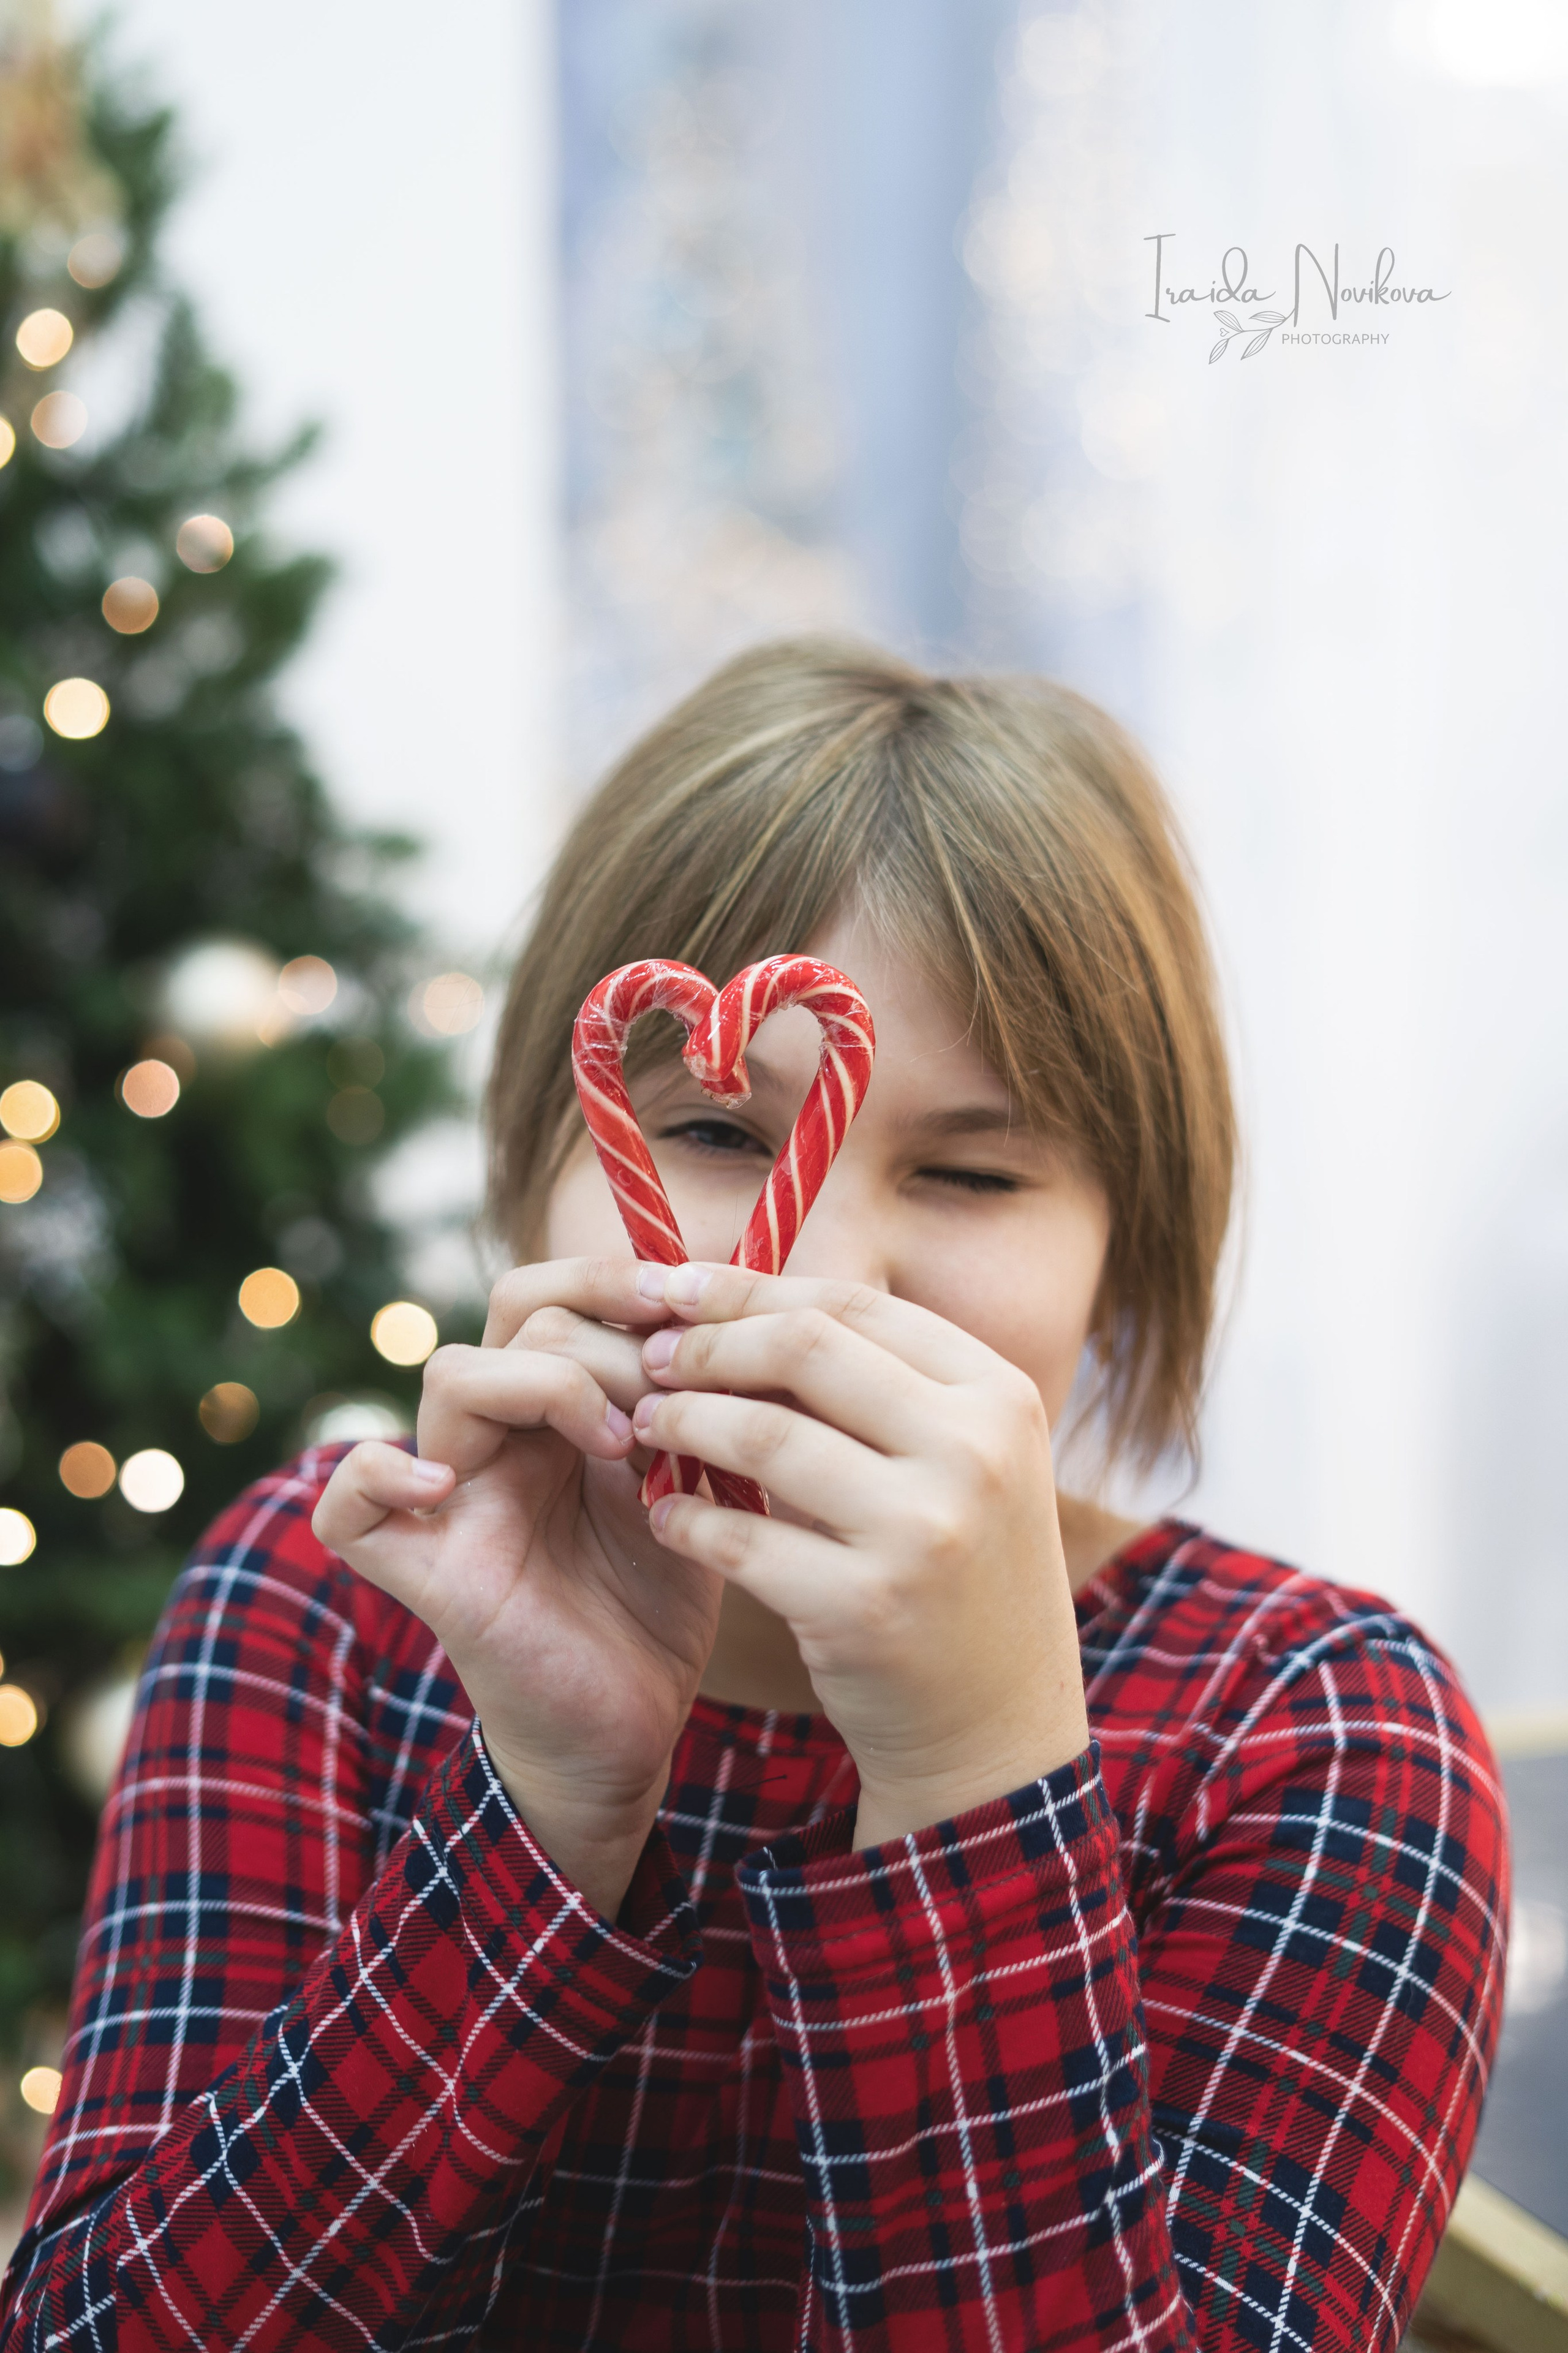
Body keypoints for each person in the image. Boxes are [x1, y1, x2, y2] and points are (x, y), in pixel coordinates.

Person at [1, 640, 1507, 2351]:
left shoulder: (1317, 1734)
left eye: (967, 1169)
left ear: (1128, 1249)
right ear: (537, 1164)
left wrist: (968, 1771)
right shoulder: (330, 1594)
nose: (816, 1263)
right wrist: (545, 1809)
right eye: (718, 1130)